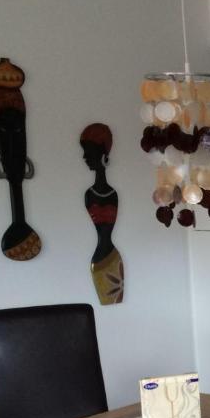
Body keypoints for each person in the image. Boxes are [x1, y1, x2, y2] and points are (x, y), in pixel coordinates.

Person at [81, 123, 124, 304]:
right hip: (100, 258)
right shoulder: (89, 195)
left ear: (102, 154)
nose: (84, 157)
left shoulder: (112, 194)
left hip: (110, 257)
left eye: (88, 151)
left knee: (114, 298)